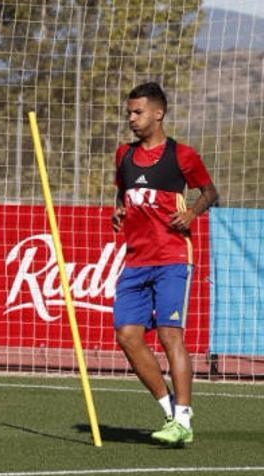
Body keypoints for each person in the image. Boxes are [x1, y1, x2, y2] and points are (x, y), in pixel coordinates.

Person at [111, 82, 218, 446]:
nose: (131, 118)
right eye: (129, 112)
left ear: (158, 113)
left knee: (170, 335)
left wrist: (192, 214)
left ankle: (183, 418)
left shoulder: (182, 155)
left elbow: (210, 192)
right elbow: (122, 193)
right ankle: (171, 411)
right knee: (127, 335)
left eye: (138, 112)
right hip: (136, 259)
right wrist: (119, 210)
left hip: (172, 257)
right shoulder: (123, 155)